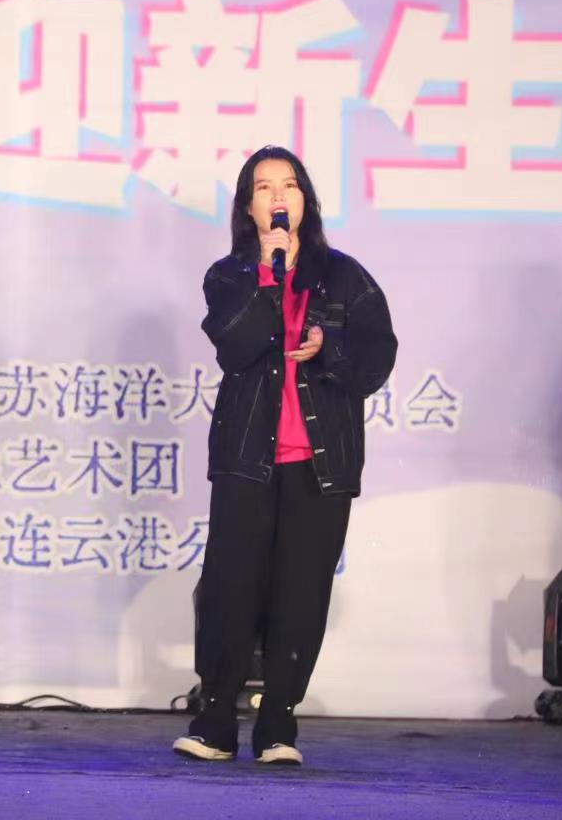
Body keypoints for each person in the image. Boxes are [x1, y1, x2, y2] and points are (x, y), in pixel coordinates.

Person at [172, 146, 396, 766]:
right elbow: (235, 345)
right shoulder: (230, 276)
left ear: (306, 202)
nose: (277, 197)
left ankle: (277, 725)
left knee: (301, 594)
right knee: (230, 587)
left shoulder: (346, 277)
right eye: (263, 187)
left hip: (321, 465)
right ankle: (216, 720)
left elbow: (377, 359)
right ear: (248, 207)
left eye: (289, 185)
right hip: (247, 457)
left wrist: (330, 348)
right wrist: (270, 280)